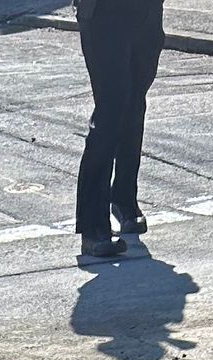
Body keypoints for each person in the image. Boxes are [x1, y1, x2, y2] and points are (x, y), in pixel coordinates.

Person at [74, 0, 166, 265]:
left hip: (145, 12)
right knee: (111, 109)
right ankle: (93, 227)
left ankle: (124, 200)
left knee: (134, 103)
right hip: (103, 13)